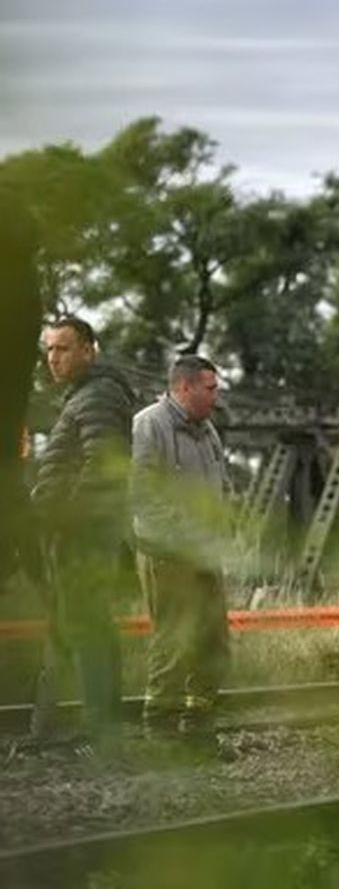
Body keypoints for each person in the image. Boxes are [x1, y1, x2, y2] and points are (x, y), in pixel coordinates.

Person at [29, 317, 136, 743]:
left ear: (90, 350)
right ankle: (48, 727)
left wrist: (67, 520)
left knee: (86, 630)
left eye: (64, 348)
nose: (53, 358)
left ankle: (100, 730)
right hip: (77, 535)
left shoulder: (99, 395)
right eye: (50, 349)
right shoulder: (85, 396)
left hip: (84, 536)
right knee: (70, 629)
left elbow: (102, 467)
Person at [131, 355, 234, 745]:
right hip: (167, 553)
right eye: (211, 388)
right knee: (173, 641)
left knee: (212, 641)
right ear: (185, 387)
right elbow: (142, 496)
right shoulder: (148, 425)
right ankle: (161, 735)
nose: (216, 395)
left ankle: (198, 730)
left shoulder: (207, 430)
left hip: (206, 553)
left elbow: (221, 484)